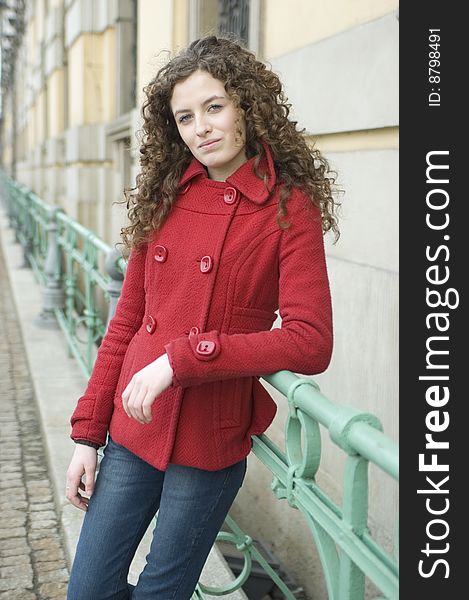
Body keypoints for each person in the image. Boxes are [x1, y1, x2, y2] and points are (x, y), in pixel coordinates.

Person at [65, 35, 339, 600]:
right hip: (133, 423)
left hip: (209, 437)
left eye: (214, 107)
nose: (201, 128)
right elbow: (126, 322)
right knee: (88, 589)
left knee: (162, 592)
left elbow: (310, 341)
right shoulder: (165, 196)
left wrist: (188, 357)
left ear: (246, 105)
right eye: (185, 117)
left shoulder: (287, 206)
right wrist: (87, 435)